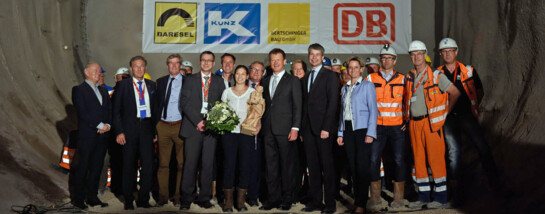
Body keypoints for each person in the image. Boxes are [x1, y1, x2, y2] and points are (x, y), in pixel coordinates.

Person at [437, 38, 498, 206]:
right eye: (445, 51)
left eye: (451, 50)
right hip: (448, 118)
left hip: (466, 115)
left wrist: (473, 106)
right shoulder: (437, 74)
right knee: (453, 153)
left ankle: (496, 185)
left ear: (456, 52)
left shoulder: (469, 70)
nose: (448, 53)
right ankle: (458, 194)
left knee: (483, 147)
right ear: (441, 54)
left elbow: (479, 91)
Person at [404, 41, 460, 209]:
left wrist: (445, 113)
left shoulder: (435, 75)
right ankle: (423, 197)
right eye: (413, 54)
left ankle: (441, 198)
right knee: (419, 161)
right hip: (414, 124)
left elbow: (455, 93)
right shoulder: (409, 76)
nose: (416, 57)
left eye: (419, 54)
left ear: (425, 55)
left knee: (436, 160)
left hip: (431, 124)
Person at [179, 51, 226, 210]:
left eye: (209, 61)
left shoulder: (219, 81)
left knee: (207, 164)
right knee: (190, 164)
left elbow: (222, 104)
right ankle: (186, 197)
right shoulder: (190, 80)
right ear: (200, 62)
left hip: (211, 129)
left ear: (214, 64)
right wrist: (198, 121)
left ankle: (204, 197)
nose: (206, 63)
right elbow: (184, 103)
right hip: (193, 127)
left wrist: (211, 122)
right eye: (203, 60)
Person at [365, 44, 408, 210]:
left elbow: (409, 101)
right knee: (373, 160)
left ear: (394, 60)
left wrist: (407, 120)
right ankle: (375, 197)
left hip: (397, 128)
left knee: (398, 160)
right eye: (383, 57)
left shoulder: (403, 79)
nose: (386, 60)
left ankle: (398, 198)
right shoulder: (370, 79)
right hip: (377, 127)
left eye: (389, 57)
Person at [259, 48, 302, 211]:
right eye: (273, 60)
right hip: (268, 129)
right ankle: (272, 198)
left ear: (285, 61)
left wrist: (295, 127)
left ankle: (287, 198)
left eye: (278, 59)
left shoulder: (293, 80)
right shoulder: (265, 80)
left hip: (286, 130)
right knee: (271, 166)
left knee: (287, 166)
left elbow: (298, 106)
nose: (275, 62)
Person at [112, 56, 157, 210]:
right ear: (131, 69)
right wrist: (119, 131)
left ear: (145, 68)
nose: (139, 69)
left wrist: (154, 130)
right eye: (135, 66)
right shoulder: (123, 85)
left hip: (146, 128)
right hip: (129, 129)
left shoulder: (151, 85)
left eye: (142, 66)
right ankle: (129, 200)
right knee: (129, 166)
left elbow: (155, 110)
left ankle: (143, 199)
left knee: (148, 165)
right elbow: (116, 111)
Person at [301, 43, 339, 214]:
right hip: (308, 130)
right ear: (308, 56)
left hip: (323, 130)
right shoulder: (306, 77)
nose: (314, 57)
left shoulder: (330, 76)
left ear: (323, 57)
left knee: (327, 167)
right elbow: (304, 105)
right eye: (311, 54)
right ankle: (316, 201)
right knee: (312, 167)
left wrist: (327, 128)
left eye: (317, 55)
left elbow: (333, 104)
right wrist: (302, 129)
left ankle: (330, 203)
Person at [337, 56, 378, 214]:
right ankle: (357, 202)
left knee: (362, 167)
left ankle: (361, 204)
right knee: (353, 168)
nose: (352, 70)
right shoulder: (344, 88)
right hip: (348, 129)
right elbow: (342, 113)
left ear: (361, 69)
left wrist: (370, 132)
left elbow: (373, 110)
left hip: (362, 130)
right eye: (350, 67)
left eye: (355, 67)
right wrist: (340, 132)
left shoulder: (367, 86)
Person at [220, 65, 261, 212]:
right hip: (229, 134)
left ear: (247, 76)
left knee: (244, 166)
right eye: (237, 73)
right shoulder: (227, 92)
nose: (240, 76)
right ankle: (228, 203)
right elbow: (221, 111)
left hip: (246, 133)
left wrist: (258, 126)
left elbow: (257, 112)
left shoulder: (252, 93)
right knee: (229, 166)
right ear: (234, 75)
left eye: (243, 74)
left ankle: (241, 202)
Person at [71, 62, 111, 209]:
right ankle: (78, 199)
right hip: (87, 136)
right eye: (95, 70)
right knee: (83, 167)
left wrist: (108, 125)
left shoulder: (103, 91)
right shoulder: (79, 90)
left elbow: (109, 111)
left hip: (102, 137)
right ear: (86, 72)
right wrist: (99, 125)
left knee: (96, 167)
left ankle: (92, 197)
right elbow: (83, 111)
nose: (98, 73)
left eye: (99, 71)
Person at [154, 54, 185, 206]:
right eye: (170, 63)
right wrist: (155, 127)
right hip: (163, 126)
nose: (173, 66)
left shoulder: (188, 81)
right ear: (167, 65)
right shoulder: (160, 82)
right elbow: (156, 105)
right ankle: (163, 197)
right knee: (163, 164)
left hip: (180, 125)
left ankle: (178, 196)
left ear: (180, 66)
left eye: (176, 63)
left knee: (181, 164)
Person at [246, 61, 265, 206]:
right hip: (241, 131)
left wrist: (260, 123)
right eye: (254, 69)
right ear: (249, 71)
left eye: (260, 70)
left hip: (260, 133)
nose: (257, 72)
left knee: (257, 164)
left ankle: (253, 195)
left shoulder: (266, 88)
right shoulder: (240, 85)